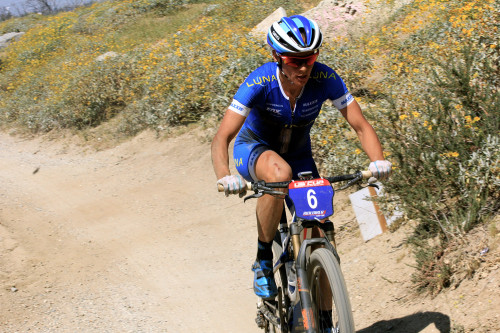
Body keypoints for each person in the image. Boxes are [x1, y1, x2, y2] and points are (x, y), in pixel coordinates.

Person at [211, 15, 391, 301]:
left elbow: (361, 125)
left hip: (299, 155)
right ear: (276, 57)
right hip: (254, 148)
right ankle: (263, 260)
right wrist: (224, 175)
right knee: (279, 173)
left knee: (320, 234)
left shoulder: (325, 78)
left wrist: (378, 160)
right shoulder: (261, 80)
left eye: (310, 57)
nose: (305, 67)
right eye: (295, 61)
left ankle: (324, 318)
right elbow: (222, 138)